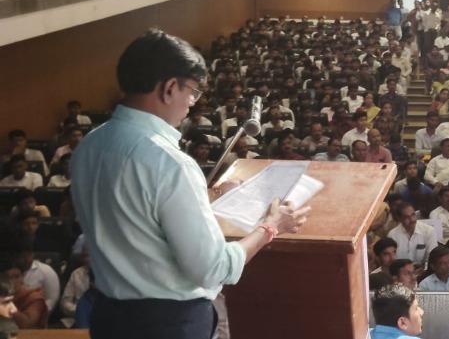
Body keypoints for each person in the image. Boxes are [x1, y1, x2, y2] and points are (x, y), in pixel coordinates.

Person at [69, 30, 310, 339]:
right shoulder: (169, 163)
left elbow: (135, 220)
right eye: (193, 91)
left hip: (109, 317)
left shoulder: (89, 145)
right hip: (167, 324)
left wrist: (208, 198)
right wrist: (271, 226)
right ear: (170, 88)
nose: (193, 103)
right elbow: (212, 268)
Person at [388, 203, 438, 267]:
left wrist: (424, 271)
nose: (412, 220)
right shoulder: (393, 235)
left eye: (413, 215)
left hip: (423, 271)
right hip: (400, 272)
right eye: (407, 217)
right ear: (400, 218)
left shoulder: (428, 231)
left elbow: (432, 258)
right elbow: (392, 261)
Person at [2, 263, 46, 329]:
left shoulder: (33, 297)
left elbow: (26, 324)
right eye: (8, 277)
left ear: (23, 277)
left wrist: (8, 305)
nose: (13, 281)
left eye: (17, 276)